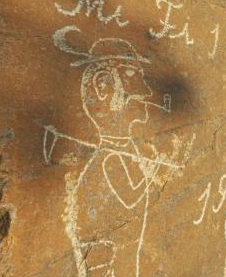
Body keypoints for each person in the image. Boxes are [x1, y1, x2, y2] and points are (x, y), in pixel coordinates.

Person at [43, 35, 173, 277]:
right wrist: (156, 169)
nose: (146, 91)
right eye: (135, 77)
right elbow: (131, 196)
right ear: (103, 86)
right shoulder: (110, 158)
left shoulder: (120, 150)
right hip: (105, 257)